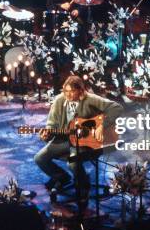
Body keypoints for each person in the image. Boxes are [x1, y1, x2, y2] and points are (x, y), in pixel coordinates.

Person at [34, 76, 123, 207]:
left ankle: (83, 186)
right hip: (63, 140)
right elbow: (51, 125)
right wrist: (46, 134)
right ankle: (62, 178)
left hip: (85, 141)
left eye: (72, 91)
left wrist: (101, 125)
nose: (68, 95)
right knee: (39, 158)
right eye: (65, 91)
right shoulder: (59, 101)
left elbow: (117, 107)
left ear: (80, 91)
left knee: (73, 162)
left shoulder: (91, 99)